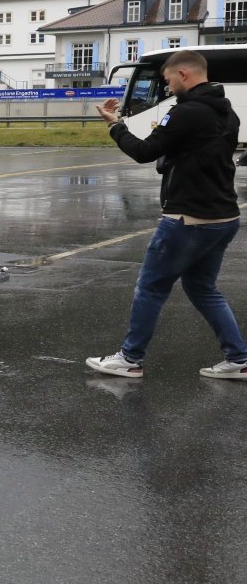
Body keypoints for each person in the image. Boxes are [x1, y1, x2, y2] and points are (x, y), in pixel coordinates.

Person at [87, 49, 247, 379]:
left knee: (151, 287)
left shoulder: (186, 112)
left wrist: (115, 125)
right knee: (202, 288)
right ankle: (238, 359)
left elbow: (144, 151)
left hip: (188, 218)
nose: (168, 87)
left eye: (168, 80)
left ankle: (130, 358)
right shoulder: (228, 113)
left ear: (184, 74)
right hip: (223, 216)